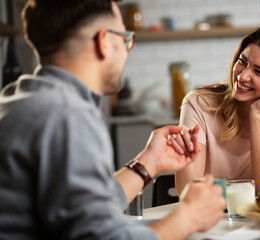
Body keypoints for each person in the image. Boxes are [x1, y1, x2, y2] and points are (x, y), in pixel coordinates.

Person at [0, 0, 226, 239]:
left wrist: (149, 162)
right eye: (125, 39)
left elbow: (84, 209)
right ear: (104, 42)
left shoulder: (19, 97)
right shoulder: (68, 114)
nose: (127, 50)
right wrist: (191, 216)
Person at [174, 24, 260, 195]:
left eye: (259, 72)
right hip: (206, 212)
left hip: (255, 217)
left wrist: (256, 115)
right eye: (242, 62)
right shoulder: (198, 103)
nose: (242, 76)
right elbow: (188, 192)